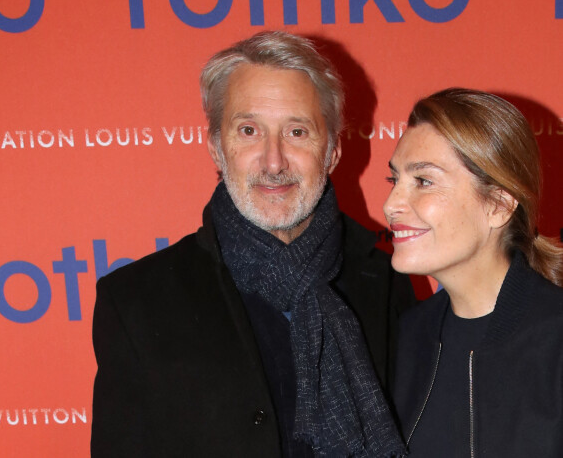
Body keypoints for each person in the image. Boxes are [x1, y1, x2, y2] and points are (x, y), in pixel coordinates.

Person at [91, 31, 415, 458]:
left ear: (333, 151)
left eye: (297, 132)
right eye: (249, 131)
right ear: (216, 147)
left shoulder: (389, 285)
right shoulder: (136, 301)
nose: (273, 161)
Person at [383, 88, 563, 457]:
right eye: (394, 180)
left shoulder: (555, 337)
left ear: (498, 204)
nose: (391, 205)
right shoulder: (407, 335)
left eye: (423, 181)